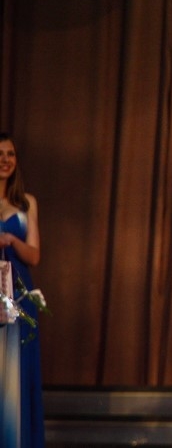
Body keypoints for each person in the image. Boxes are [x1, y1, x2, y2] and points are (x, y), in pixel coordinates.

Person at [0, 132, 44, 448]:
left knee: (17, 370)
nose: (5, 160)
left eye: (10, 154)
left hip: (17, 293)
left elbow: (35, 255)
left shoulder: (27, 203)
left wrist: (13, 241)